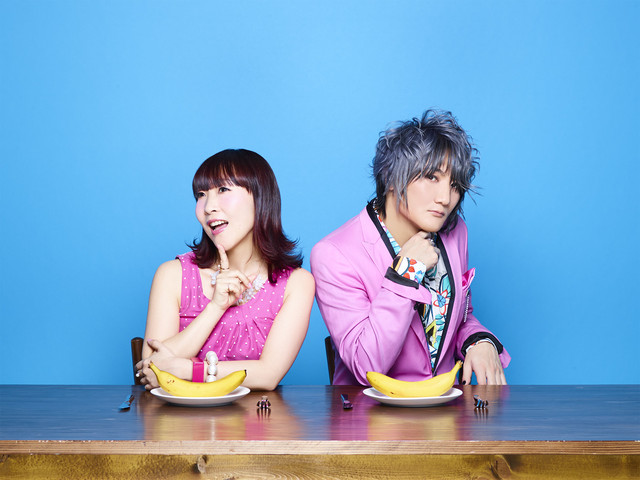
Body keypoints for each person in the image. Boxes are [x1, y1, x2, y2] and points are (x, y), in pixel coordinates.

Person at [311, 110, 510, 386]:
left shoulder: (455, 232)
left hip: (446, 405)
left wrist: (479, 340)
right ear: (391, 176)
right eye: (432, 177)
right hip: (369, 410)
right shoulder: (334, 254)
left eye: (454, 184)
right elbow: (366, 366)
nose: (445, 198)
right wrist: (406, 272)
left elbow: (459, 317)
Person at [136, 149, 315, 391]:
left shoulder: (295, 283)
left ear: (260, 198)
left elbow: (268, 374)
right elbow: (151, 367)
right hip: (174, 414)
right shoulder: (173, 275)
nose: (209, 207)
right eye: (201, 195)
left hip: (257, 415)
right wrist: (216, 307)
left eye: (223, 190)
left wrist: (191, 370)